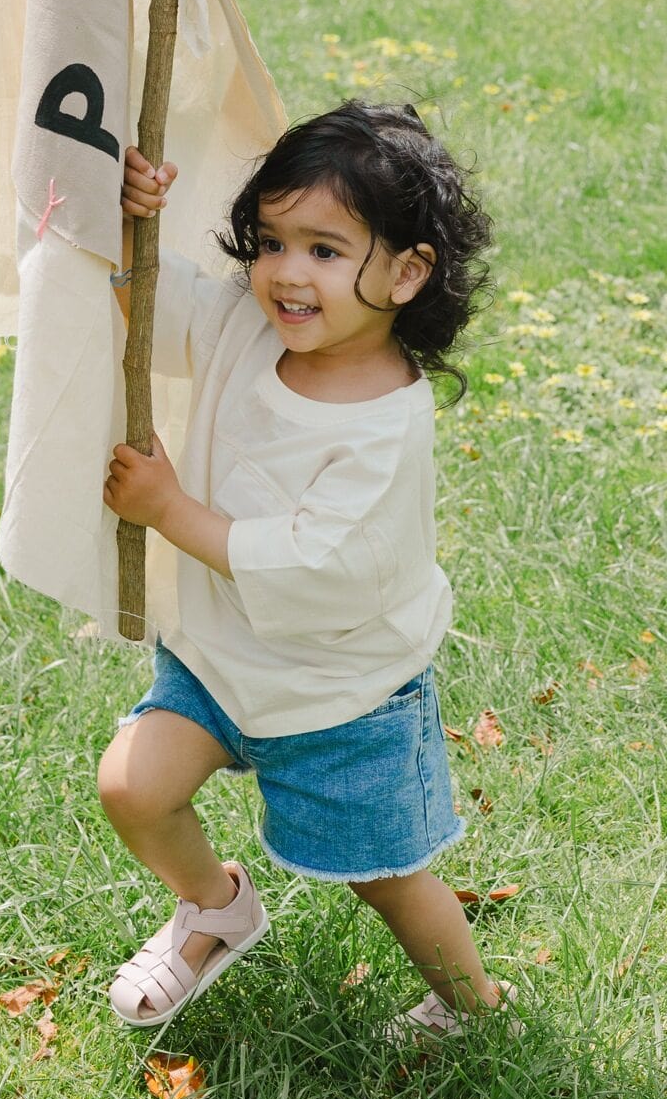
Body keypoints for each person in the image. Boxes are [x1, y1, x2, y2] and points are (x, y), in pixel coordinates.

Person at [99, 100, 514, 1041]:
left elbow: (310, 560)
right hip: (217, 661)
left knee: (388, 881)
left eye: (326, 251)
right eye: (272, 241)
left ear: (408, 273)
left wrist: (170, 511)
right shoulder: (256, 329)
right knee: (133, 787)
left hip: (341, 695)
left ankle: (477, 1008)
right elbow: (147, 303)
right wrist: (136, 216)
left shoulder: (384, 424)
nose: (287, 273)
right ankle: (215, 907)